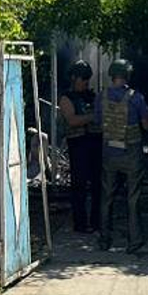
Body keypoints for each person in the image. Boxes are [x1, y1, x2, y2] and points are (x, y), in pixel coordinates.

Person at [98, 58, 148, 252]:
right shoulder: (136, 98)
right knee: (133, 197)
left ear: (111, 75)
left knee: (106, 197)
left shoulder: (101, 97)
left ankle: (104, 240)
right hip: (131, 153)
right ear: (128, 75)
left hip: (109, 153)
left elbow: (98, 122)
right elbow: (146, 125)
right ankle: (134, 241)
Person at [58, 60, 102, 233]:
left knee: (98, 184)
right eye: (83, 78)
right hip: (78, 144)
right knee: (79, 185)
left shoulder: (91, 96)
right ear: (74, 78)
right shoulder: (66, 98)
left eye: (87, 78)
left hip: (95, 141)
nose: (86, 82)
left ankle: (96, 221)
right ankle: (81, 223)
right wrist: (92, 117)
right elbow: (72, 120)